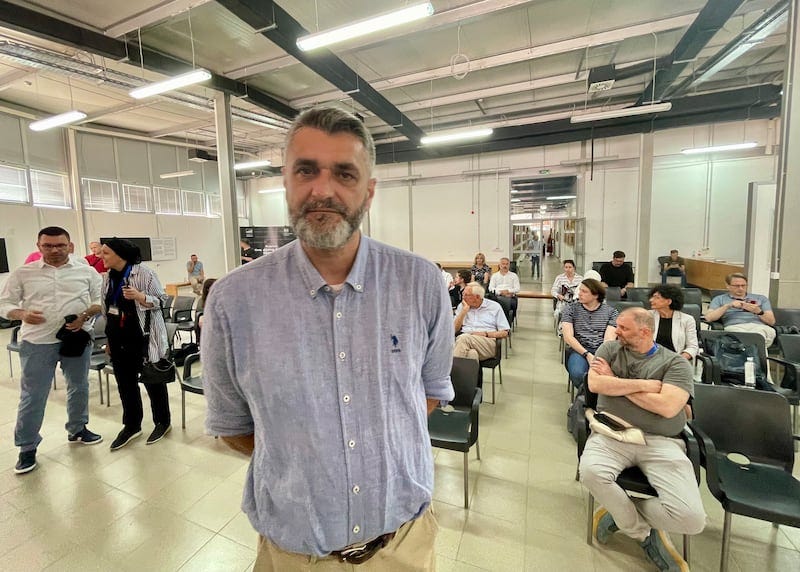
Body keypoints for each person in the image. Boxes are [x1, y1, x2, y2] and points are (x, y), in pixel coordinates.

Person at [201, 106, 454, 570]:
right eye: (306, 170)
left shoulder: (422, 283)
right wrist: (309, 458)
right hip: (294, 555)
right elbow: (233, 427)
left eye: (344, 173)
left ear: (369, 191)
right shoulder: (233, 300)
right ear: (286, 181)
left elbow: (429, 394)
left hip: (404, 545)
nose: (323, 189)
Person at [580, 308, 706, 572]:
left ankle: (619, 513)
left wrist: (616, 381)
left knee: (692, 519)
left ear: (645, 331)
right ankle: (643, 533)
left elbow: (668, 408)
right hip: (613, 433)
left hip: (662, 440)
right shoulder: (610, 350)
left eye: (623, 328)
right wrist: (647, 385)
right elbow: (596, 385)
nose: (616, 331)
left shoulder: (675, 363)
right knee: (590, 472)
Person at [0, 226, 103, 475]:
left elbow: (99, 302)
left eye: (60, 245)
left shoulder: (86, 271)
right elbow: (4, 304)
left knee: (79, 386)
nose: (55, 250)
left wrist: (85, 316)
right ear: (39, 247)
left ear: (70, 245)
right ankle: (26, 447)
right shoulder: (23, 273)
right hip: (37, 343)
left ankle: (77, 429)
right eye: (48, 245)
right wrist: (22, 313)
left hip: (76, 339)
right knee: (33, 395)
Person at [101, 238, 172, 450]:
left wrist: (141, 296)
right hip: (118, 339)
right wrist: (108, 340)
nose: (100, 256)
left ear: (120, 255)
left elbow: (162, 300)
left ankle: (162, 422)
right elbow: (106, 309)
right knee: (125, 385)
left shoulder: (144, 273)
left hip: (143, 338)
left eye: (105, 253)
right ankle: (132, 425)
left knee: (153, 382)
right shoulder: (107, 277)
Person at [560, 278, 618, 389]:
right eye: (580, 290)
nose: (579, 294)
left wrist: (600, 357)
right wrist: (587, 354)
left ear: (596, 295)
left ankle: (596, 400)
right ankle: (587, 400)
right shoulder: (571, 309)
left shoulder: (611, 312)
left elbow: (609, 339)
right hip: (579, 349)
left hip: (602, 350)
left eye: (584, 291)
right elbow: (568, 337)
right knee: (578, 374)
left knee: (609, 374)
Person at [704, 272, 776, 349]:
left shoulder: (761, 298)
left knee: (759, 334)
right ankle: (757, 358)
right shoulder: (719, 299)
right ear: (728, 286)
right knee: (748, 338)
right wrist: (728, 306)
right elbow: (708, 318)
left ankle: (751, 357)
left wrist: (759, 311)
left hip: (759, 326)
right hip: (735, 326)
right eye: (736, 286)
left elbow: (771, 322)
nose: (741, 288)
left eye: (743, 285)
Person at [453, 282, 510, 361]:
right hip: (464, 341)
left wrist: (485, 334)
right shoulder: (462, 306)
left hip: (487, 342)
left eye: (466, 295)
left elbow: (505, 333)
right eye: (463, 294)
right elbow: (454, 330)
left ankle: (451, 372)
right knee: (471, 354)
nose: (463, 298)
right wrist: (464, 311)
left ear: (477, 297)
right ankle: (469, 373)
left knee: (464, 339)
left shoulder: (494, 307)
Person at [648, 284, 698, 362]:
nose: (651, 300)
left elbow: (693, 347)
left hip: (675, 360)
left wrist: (678, 360)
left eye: (657, 297)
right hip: (651, 359)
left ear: (669, 301)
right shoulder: (647, 316)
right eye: (652, 297)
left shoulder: (687, 320)